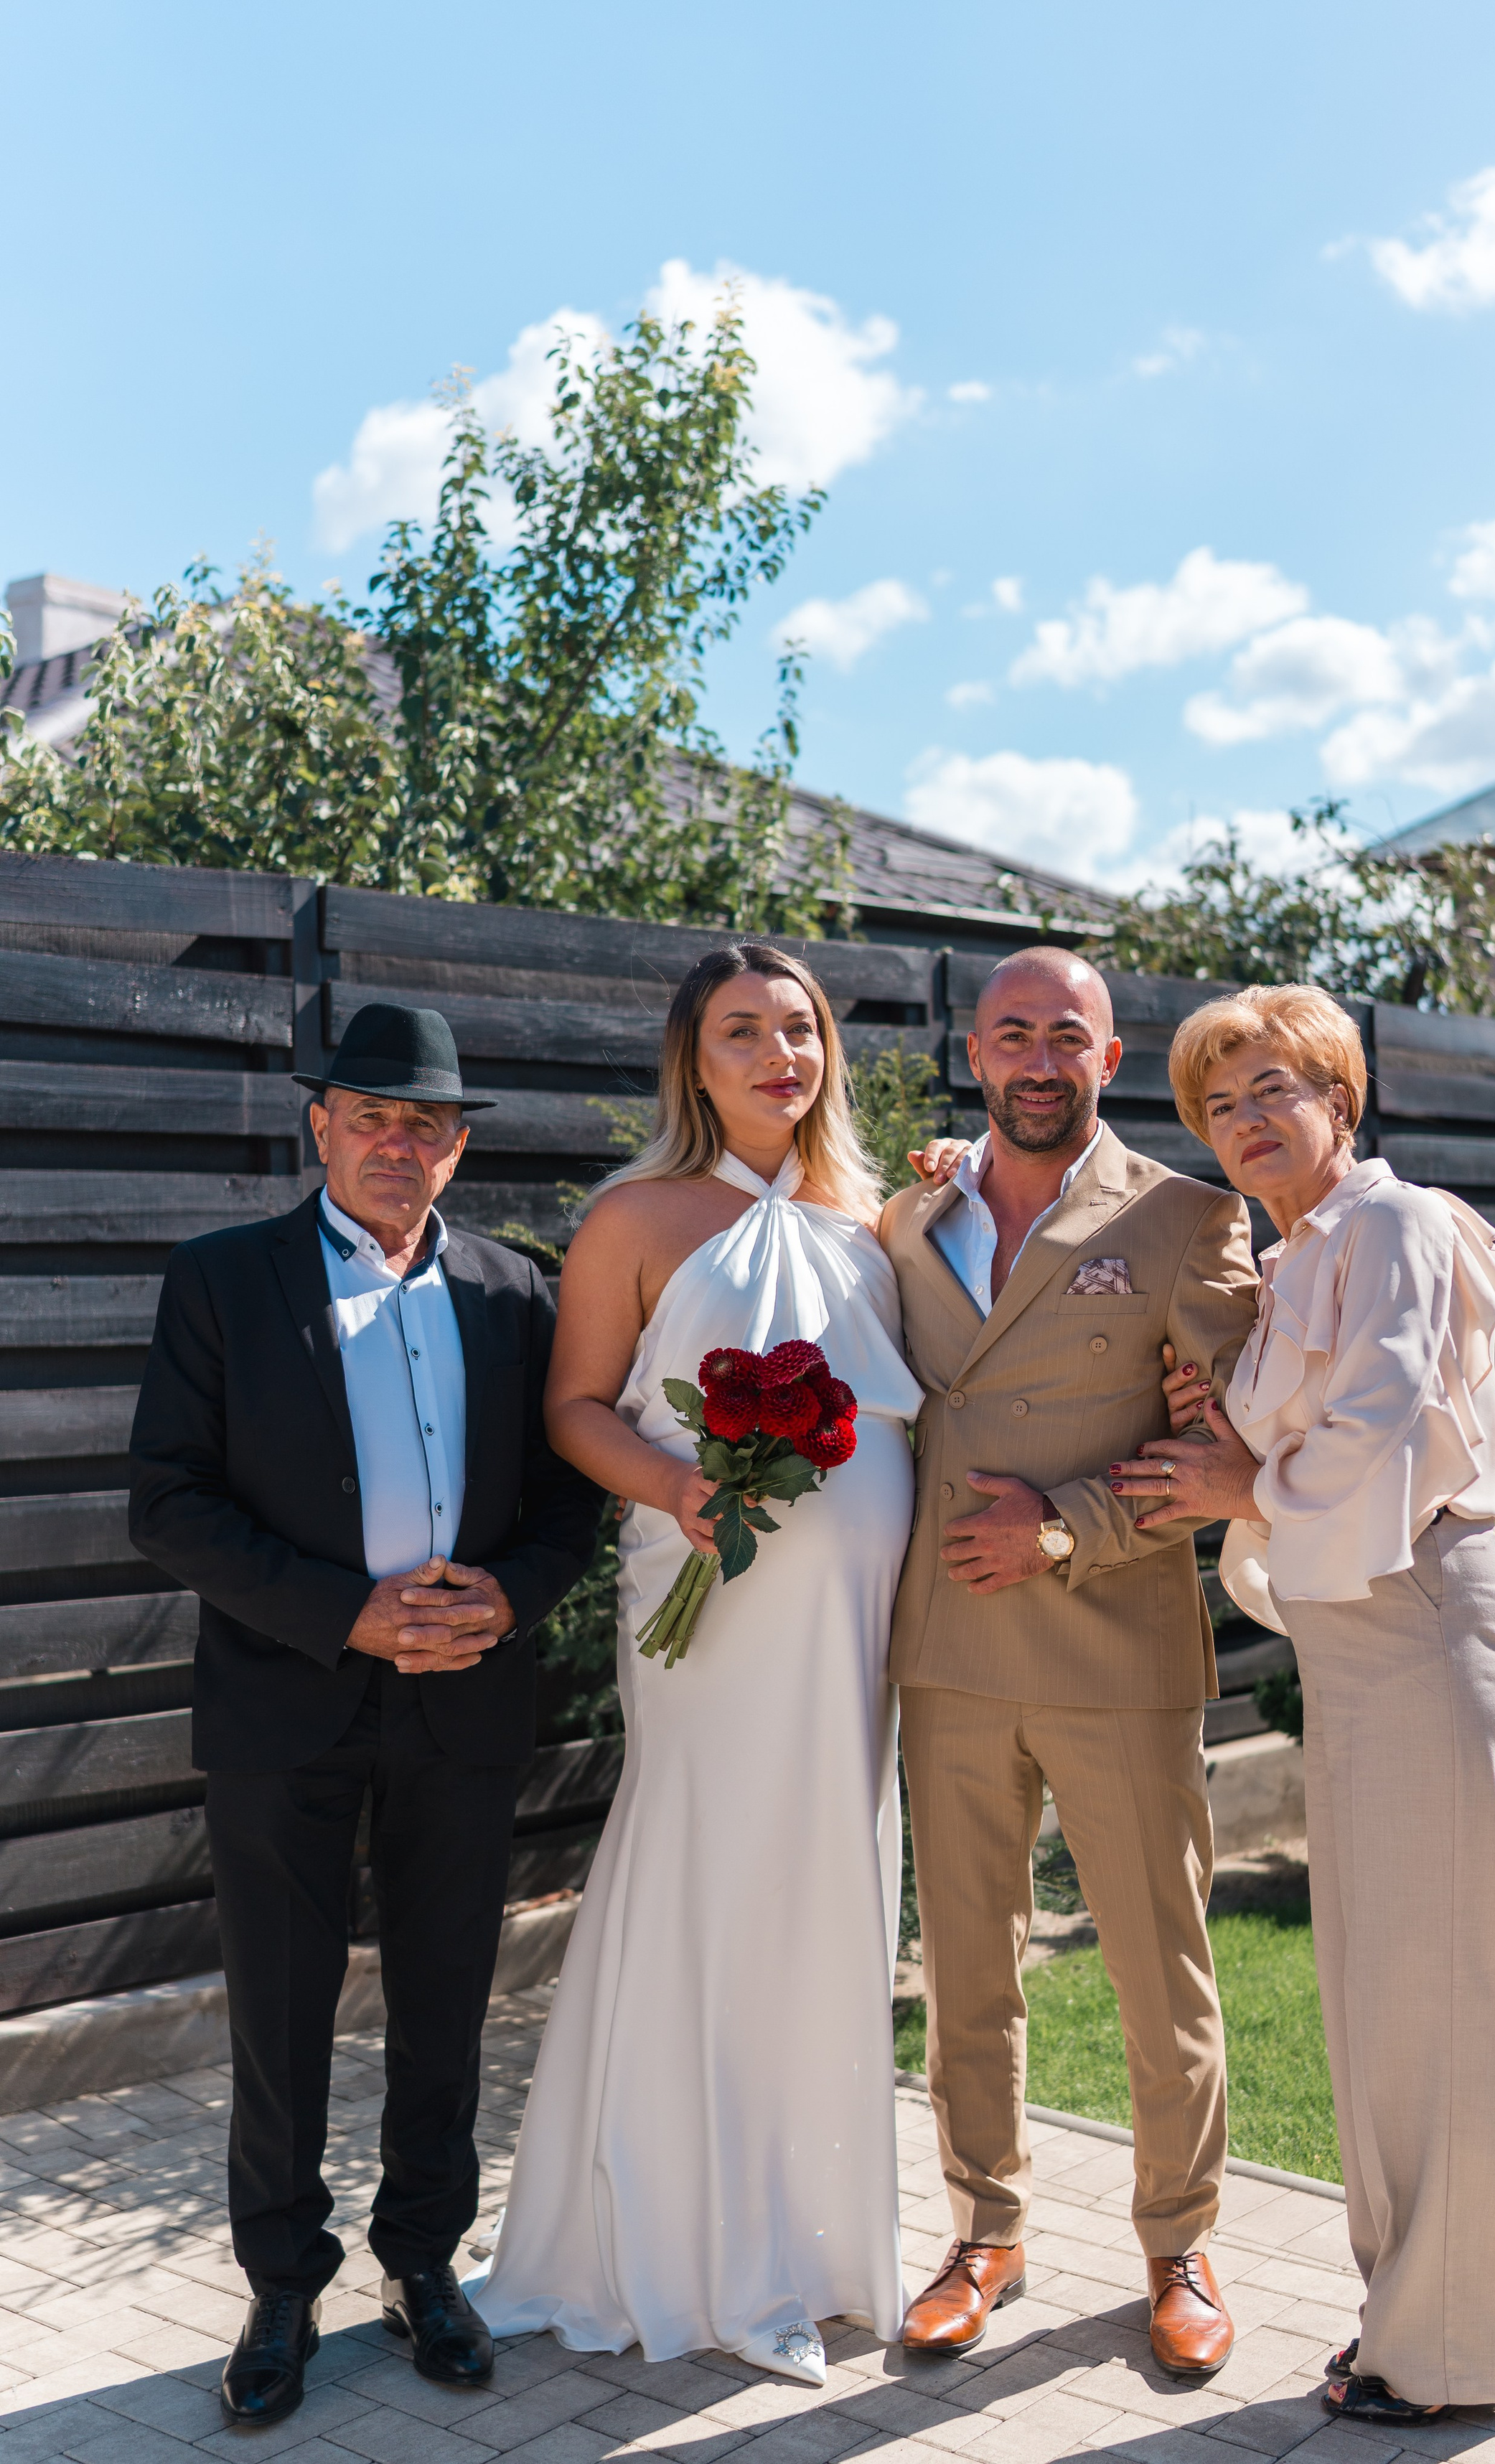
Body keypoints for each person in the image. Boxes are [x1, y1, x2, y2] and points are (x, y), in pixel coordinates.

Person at [468, 941, 967, 2386]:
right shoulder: (634, 1215)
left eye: (799, 1030)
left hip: (853, 1620)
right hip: (700, 1599)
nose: (776, 1057)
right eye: (742, 1032)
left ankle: (807, 2243)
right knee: (707, 1868)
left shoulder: (876, 1218)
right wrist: (682, 1493)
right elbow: (574, 1410)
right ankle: (681, 2244)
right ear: (694, 1059)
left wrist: (942, 1178)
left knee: (825, 1881)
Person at [128, 1002, 602, 2430]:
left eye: (430, 1123)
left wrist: (507, 1600)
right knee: (278, 2007)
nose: (402, 1144)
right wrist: (346, 1611)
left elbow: (568, 1497)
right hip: (285, 1707)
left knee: (448, 2000)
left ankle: (422, 2268)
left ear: (459, 1146)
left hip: (464, 1705)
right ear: (319, 1123)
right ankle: (281, 2286)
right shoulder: (222, 1282)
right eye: (375, 1117)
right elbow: (169, 1505)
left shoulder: (520, 1293)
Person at [1115, 981, 1495, 2424]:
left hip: (1425, 1632)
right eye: (1217, 1104)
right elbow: (1278, 1436)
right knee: (1378, 2013)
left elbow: (1370, 1416)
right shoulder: (1298, 1255)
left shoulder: (1396, 1225)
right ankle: (1402, 2323)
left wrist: (1241, 1480)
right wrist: (1210, 1421)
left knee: (1440, 2016)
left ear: (1337, 1103)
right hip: (1354, 1657)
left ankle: (1453, 2359)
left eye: (1271, 1092)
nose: (1244, 1121)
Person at [879, 946, 1262, 2376]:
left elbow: (1229, 1449)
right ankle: (985, 2232)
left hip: (1114, 1647)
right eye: (1011, 1035)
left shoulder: (1181, 1219)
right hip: (950, 1653)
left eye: (1067, 1037)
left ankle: (1178, 2245)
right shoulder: (910, 1213)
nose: (1038, 1061)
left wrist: (1064, 1526)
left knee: (1159, 1976)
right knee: (968, 1966)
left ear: (1109, 1057)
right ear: (973, 1052)